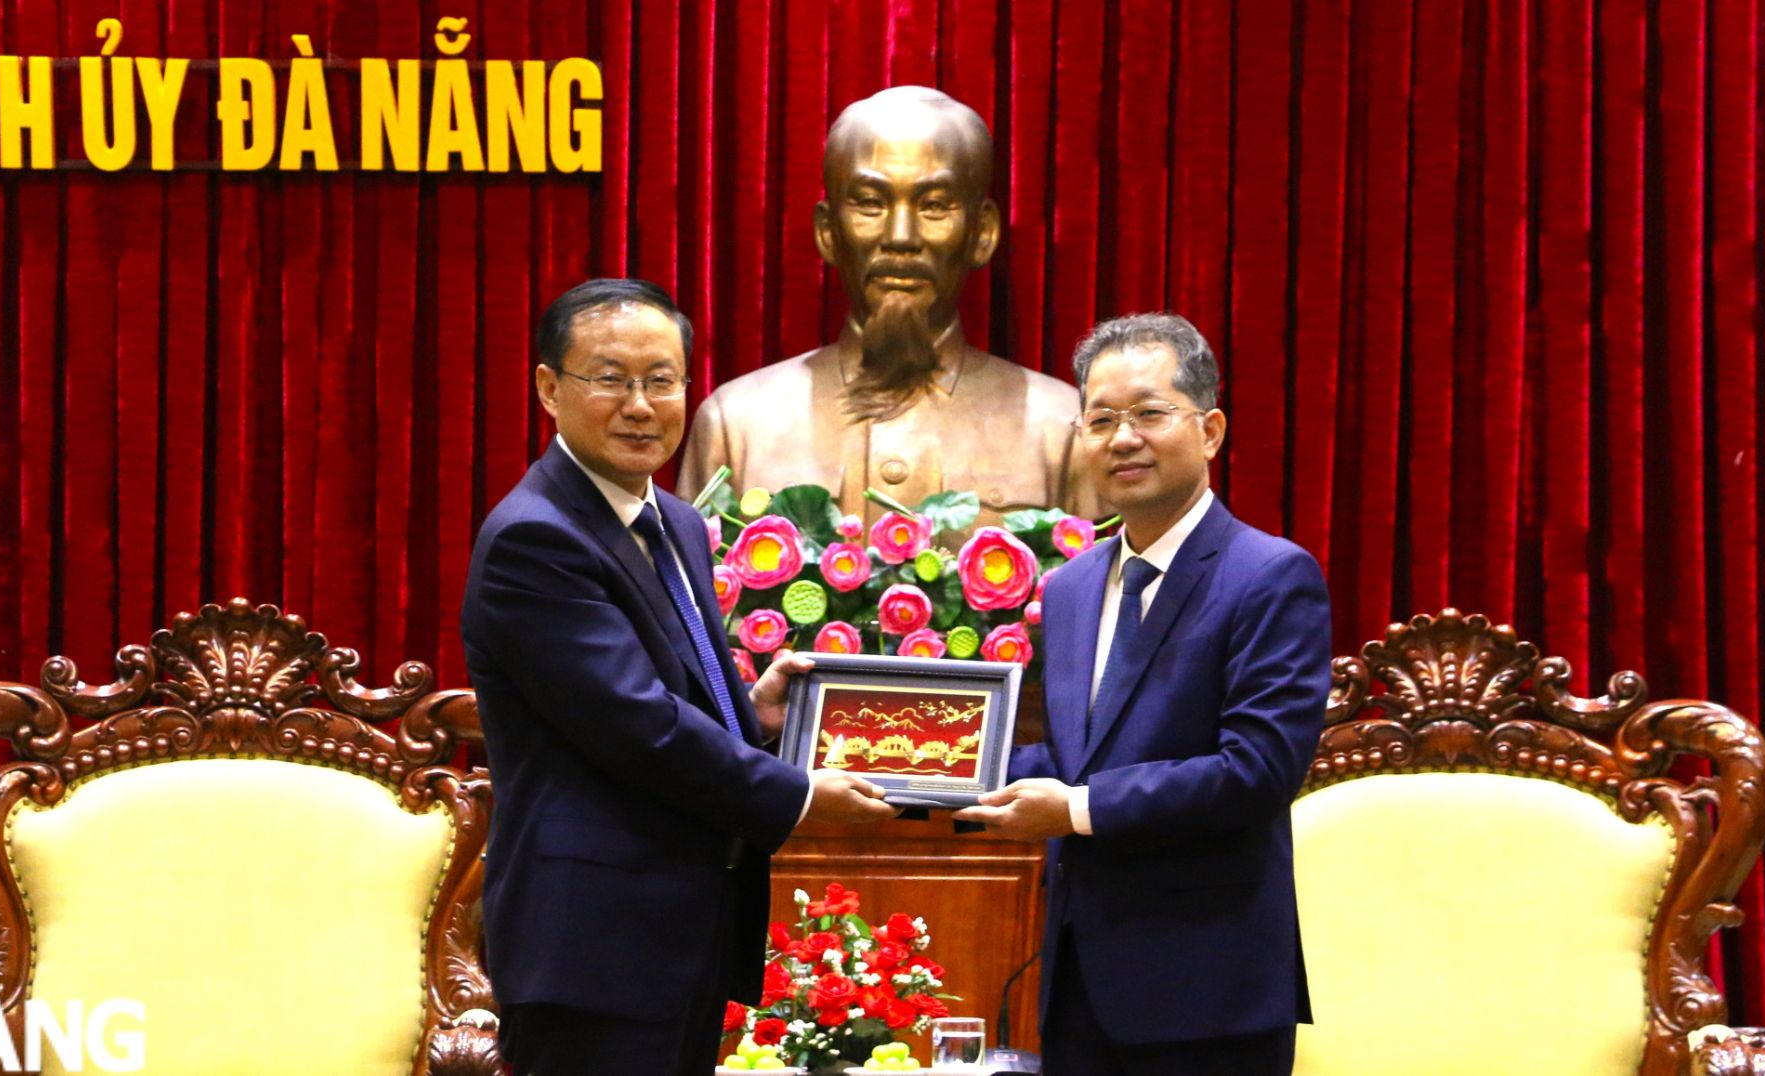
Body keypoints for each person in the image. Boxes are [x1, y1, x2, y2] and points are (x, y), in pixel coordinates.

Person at [460, 278, 897, 1075]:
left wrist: (752, 714)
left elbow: (674, 683)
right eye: (611, 379)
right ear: (549, 388)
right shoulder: (537, 538)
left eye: (661, 380)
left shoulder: (675, 521)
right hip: (589, 944)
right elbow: (639, 726)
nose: (639, 404)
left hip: (681, 927)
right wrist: (795, 795)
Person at [954, 313, 1330, 1074]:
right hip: (1078, 983)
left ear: (1211, 429)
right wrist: (941, 760)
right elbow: (1071, 756)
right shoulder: (1069, 588)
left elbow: (1256, 770)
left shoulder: (1270, 576)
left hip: (1208, 993)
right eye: (1100, 420)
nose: (1123, 439)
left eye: (1150, 414)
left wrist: (1076, 810)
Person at [678, 86, 1098, 527]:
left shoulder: (1061, 430)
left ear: (982, 233)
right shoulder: (738, 425)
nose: (900, 236)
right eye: (871, 203)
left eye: (935, 205)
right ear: (826, 231)